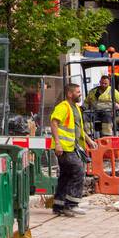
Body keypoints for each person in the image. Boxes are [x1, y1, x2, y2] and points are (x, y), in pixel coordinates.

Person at [49, 82, 91, 217]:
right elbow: (54, 122)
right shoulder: (63, 107)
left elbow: (78, 128)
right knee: (78, 171)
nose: (80, 94)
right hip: (64, 148)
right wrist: (57, 144)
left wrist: (89, 141)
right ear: (69, 94)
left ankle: (59, 205)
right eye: (78, 92)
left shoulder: (76, 108)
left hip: (71, 147)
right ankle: (71, 205)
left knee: (66, 175)